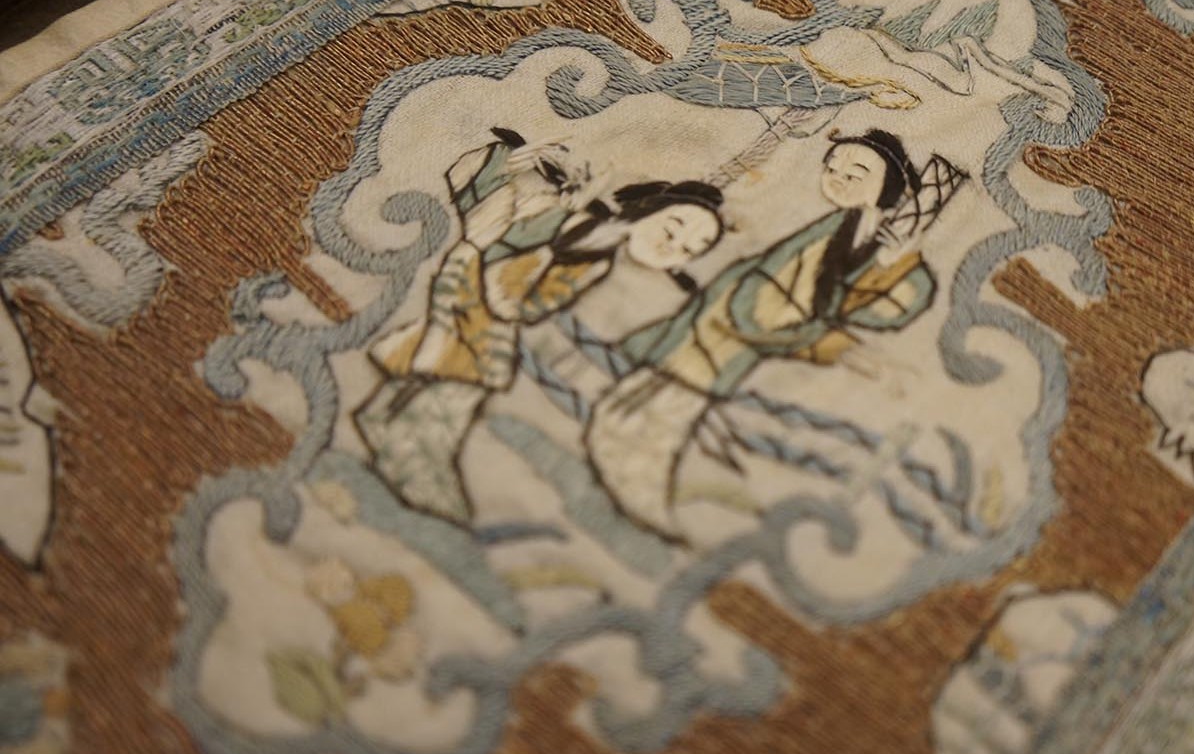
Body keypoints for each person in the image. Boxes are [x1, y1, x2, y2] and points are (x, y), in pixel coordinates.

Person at [585, 128, 960, 538]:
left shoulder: (868, 236)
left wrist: (898, 262)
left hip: (733, 335)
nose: (838, 177)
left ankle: (634, 494)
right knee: (646, 404)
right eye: (832, 167)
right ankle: (622, 485)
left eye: (856, 173)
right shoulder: (841, 225)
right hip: (723, 325)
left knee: (662, 416)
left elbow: (887, 305)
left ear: (887, 188)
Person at [356, 127, 725, 524]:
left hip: (482, 299)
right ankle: (411, 459)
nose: (672, 246)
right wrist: (509, 165)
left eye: (689, 250)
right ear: (647, 210)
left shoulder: (595, 246)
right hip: (476, 294)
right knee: (458, 379)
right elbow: (498, 239)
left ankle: (387, 423)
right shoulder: (580, 226)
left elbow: (534, 299)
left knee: (445, 370)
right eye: (671, 229)